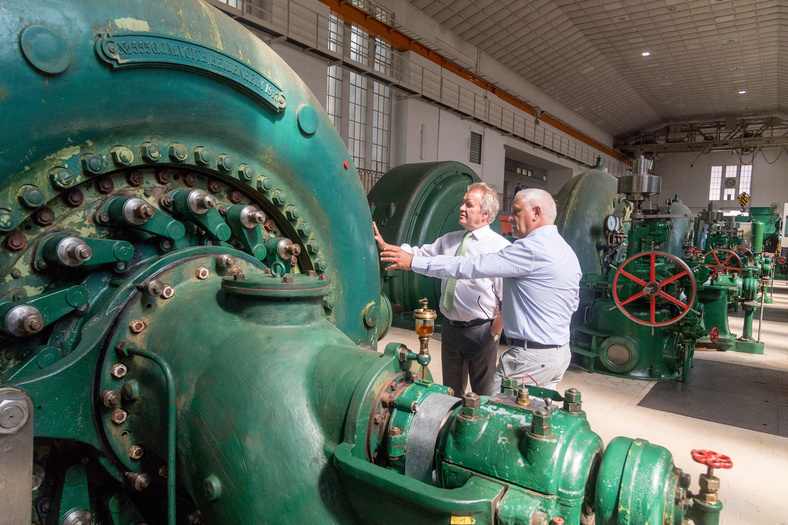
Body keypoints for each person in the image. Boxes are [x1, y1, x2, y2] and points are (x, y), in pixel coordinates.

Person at [379, 188, 581, 392]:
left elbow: (469, 267)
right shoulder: (566, 251)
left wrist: (413, 262)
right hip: (558, 353)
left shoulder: (529, 249)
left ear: (536, 213)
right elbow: (573, 304)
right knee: (531, 416)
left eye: (517, 211)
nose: (510, 217)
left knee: (492, 413)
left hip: (528, 356)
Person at [373, 182, 510, 397]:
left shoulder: (499, 248)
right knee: (450, 393)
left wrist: (494, 332)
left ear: (485, 214)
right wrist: (392, 249)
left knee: (483, 396)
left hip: (481, 331)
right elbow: (421, 255)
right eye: (462, 203)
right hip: (450, 330)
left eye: (468, 204)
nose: (461, 208)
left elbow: (509, 299)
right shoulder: (450, 240)